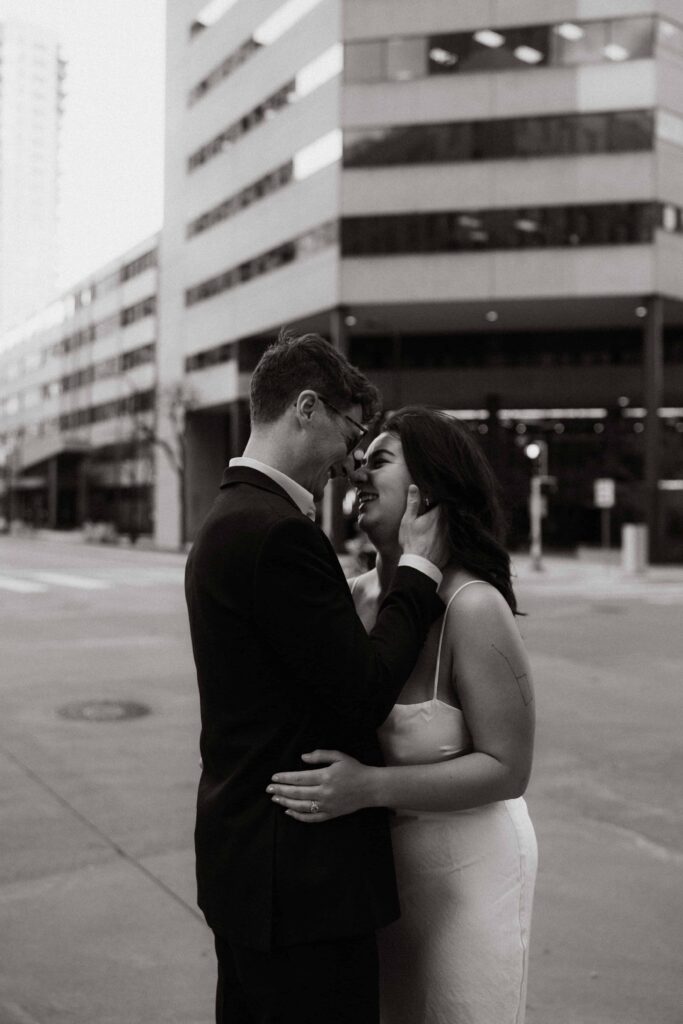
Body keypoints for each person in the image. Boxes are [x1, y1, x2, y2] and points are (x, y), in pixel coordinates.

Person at [185, 335, 449, 1024]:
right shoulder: (277, 533)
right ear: (306, 408)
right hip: (301, 885)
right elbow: (361, 694)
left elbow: (288, 675)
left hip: (247, 868)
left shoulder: (227, 518)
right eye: (350, 431)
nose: (352, 458)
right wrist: (417, 573)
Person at [268, 406, 538, 1024]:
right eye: (360, 460)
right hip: (376, 880)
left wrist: (368, 788)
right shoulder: (353, 595)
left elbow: (510, 768)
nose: (359, 471)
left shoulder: (474, 606)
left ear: (431, 488)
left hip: (472, 869)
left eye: (380, 460)